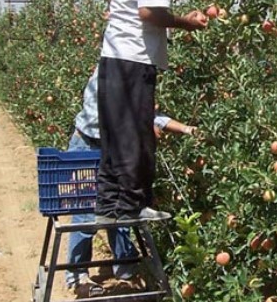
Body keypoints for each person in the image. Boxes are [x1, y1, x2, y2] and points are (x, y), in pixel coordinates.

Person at [96, 0, 227, 223]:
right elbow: (150, 12)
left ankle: (108, 206)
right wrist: (187, 24)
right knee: (136, 134)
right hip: (133, 59)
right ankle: (131, 207)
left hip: (115, 56)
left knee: (116, 134)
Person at [66, 69, 196, 297]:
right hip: (87, 145)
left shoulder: (138, 73)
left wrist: (187, 129)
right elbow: (109, 111)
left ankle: (125, 270)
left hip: (115, 147)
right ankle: (77, 276)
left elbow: (151, 114)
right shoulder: (108, 72)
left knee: (121, 207)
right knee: (85, 214)